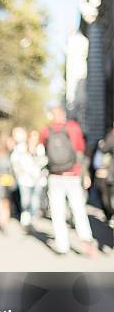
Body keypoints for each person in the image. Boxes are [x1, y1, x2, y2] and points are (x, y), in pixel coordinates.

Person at [40, 103, 96, 256]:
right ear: (64, 115)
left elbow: (43, 152)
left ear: (51, 116)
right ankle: (86, 242)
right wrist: (85, 174)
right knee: (78, 209)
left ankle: (62, 245)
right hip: (73, 175)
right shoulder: (73, 127)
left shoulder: (46, 131)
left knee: (57, 212)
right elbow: (80, 152)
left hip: (55, 176)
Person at [97, 124, 114, 228]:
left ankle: (110, 215)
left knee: (109, 196)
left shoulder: (112, 136)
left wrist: (101, 144)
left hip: (112, 173)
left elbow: (104, 149)